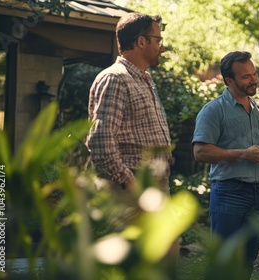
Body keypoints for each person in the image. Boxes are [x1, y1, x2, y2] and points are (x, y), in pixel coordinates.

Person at [86, 12, 178, 270]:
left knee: (163, 262)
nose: (162, 46)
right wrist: (135, 186)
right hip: (131, 190)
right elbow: (101, 145)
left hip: (154, 187)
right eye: (158, 39)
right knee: (137, 267)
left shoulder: (146, 80)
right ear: (140, 42)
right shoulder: (115, 78)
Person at [192, 51, 259, 277]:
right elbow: (200, 151)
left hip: (256, 193)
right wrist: (243, 154)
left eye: (254, 74)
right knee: (224, 260)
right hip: (228, 192)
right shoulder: (213, 110)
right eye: (246, 77)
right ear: (229, 80)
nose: (253, 80)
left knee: (248, 259)